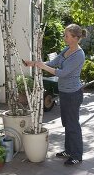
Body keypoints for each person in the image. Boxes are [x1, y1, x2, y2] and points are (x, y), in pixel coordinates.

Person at [23, 24, 87, 166]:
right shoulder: (67, 49)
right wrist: (34, 63)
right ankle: (69, 150)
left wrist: (43, 66)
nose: (64, 38)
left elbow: (61, 73)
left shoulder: (79, 55)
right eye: (64, 35)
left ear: (76, 38)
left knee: (73, 125)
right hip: (64, 92)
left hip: (72, 94)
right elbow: (53, 62)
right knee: (67, 123)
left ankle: (77, 155)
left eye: (67, 36)